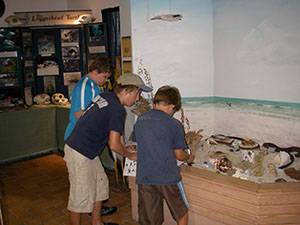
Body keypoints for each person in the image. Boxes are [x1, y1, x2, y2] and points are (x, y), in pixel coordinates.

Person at [64, 73, 152, 225]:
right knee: (80, 195)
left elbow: (106, 128)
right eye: (136, 94)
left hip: (87, 151)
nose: (137, 99)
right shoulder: (117, 109)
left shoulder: (107, 97)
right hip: (79, 152)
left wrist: (124, 147)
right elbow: (114, 145)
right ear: (126, 91)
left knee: (100, 183)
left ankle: (97, 222)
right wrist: (130, 155)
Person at [132, 85, 194, 225]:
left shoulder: (140, 120)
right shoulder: (174, 124)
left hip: (144, 176)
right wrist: (189, 157)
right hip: (167, 176)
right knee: (181, 211)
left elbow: (139, 144)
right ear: (172, 106)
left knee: (150, 218)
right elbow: (179, 155)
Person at [64, 56, 117, 216]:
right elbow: (80, 113)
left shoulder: (93, 86)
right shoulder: (85, 86)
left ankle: (96, 219)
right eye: (105, 77)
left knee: (99, 182)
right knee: (80, 191)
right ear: (95, 71)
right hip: (78, 142)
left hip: (88, 145)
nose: (105, 81)